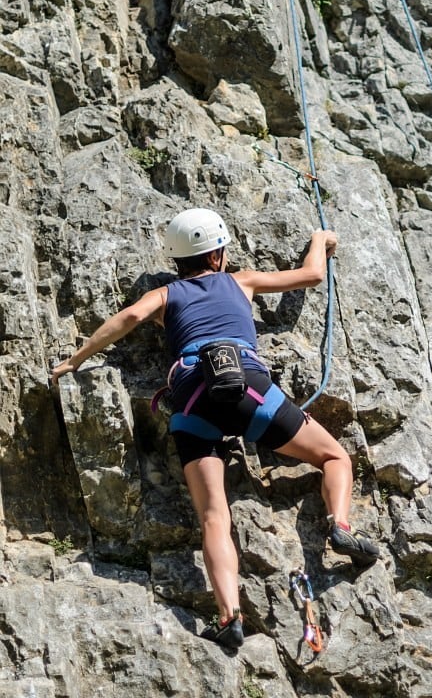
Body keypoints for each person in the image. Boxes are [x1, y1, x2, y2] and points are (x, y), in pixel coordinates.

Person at [51, 208, 379, 650]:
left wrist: (76, 359)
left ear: (177, 260)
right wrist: (320, 239)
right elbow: (312, 276)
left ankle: (229, 617)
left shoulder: (166, 295)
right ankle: (340, 526)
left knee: (213, 516)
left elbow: (128, 318)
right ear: (219, 253)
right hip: (243, 386)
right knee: (333, 456)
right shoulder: (241, 281)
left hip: (190, 399)